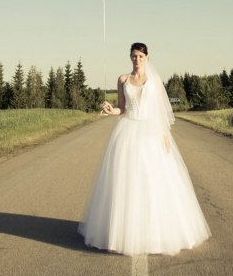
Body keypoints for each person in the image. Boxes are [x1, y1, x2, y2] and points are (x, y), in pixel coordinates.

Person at [78, 42, 211, 255]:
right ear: (130, 57)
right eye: (134, 56)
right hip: (128, 131)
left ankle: (156, 231)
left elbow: (160, 111)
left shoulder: (155, 80)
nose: (137, 60)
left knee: (154, 179)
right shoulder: (123, 79)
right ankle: (124, 232)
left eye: (140, 56)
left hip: (151, 132)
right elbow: (122, 108)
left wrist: (165, 136)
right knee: (127, 181)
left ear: (147, 57)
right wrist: (112, 110)